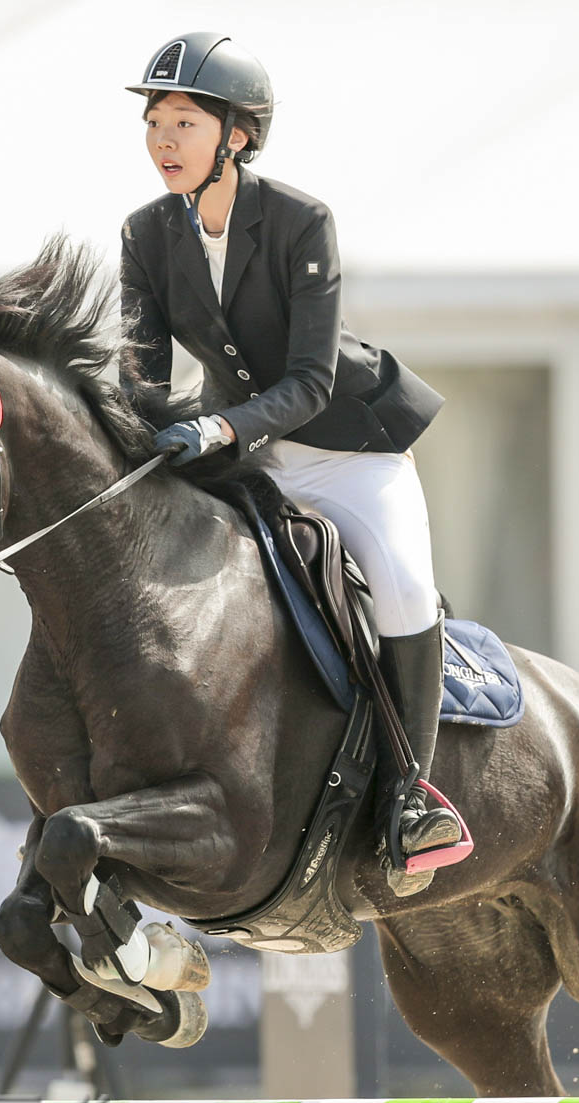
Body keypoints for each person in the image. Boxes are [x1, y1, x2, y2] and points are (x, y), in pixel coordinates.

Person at [119, 32, 462, 876]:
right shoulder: (144, 234)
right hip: (245, 457)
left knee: (403, 587)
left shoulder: (301, 221)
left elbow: (310, 381)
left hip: (348, 448)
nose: (163, 140)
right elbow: (141, 378)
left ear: (237, 135)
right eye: (154, 122)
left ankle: (412, 794)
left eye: (185, 122)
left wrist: (218, 429)